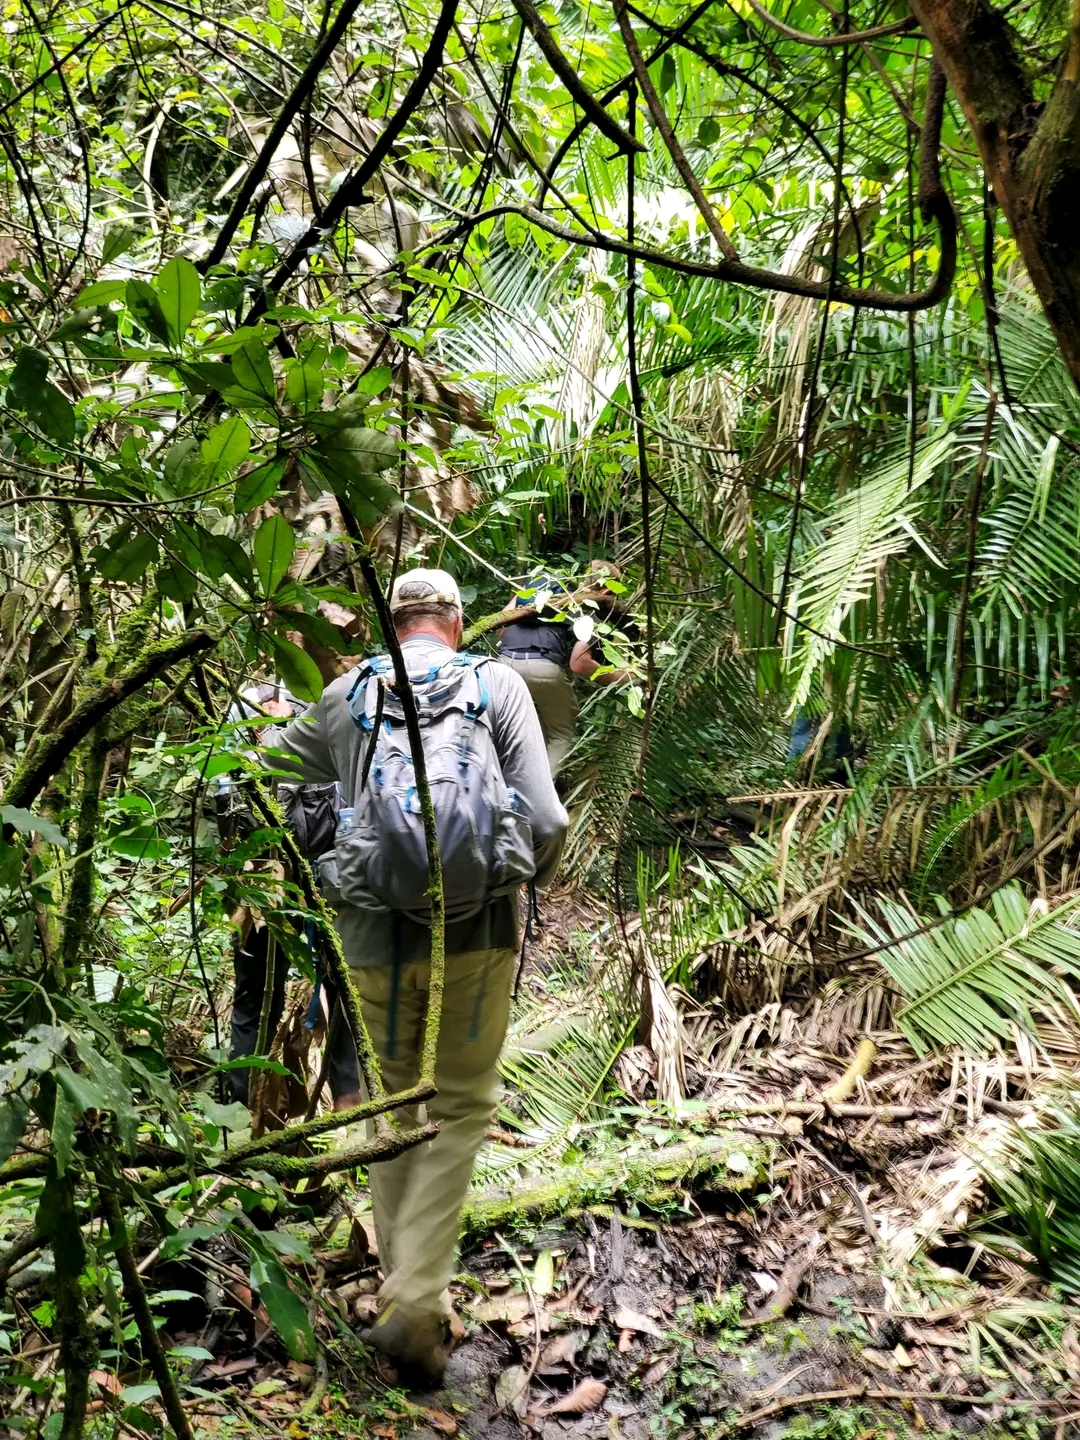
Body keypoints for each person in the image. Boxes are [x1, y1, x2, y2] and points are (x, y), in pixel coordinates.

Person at [273, 567, 568, 1387]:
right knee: (461, 1104)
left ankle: (401, 1290)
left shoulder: (344, 697)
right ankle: (414, 1304)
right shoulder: (496, 684)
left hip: (371, 934)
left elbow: (261, 767)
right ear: (457, 620)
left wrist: (333, 851)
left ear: (391, 622)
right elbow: (546, 818)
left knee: (394, 1098)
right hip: (475, 933)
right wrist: (508, 878)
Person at [219, 683, 361, 1113]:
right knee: (258, 991)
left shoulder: (326, 697)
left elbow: (347, 794)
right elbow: (222, 793)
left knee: (341, 982)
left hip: (321, 871)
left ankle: (349, 1100)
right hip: (262, 878)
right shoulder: (242, 702)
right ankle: (244, 1106)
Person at [496, 562, 630, 779]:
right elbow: (580, 663)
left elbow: (500, 625)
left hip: (504, 666)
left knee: (514, 731)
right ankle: (538, 796)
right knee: (560, 735)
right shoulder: (590, 609)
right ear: (606, 591)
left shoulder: (544, 587)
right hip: (544, 670)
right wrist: (626, 678)